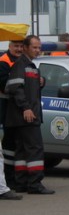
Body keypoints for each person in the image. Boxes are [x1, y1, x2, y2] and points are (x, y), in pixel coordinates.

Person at [5, 35, 55, 194]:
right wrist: (26, 108)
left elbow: (28, 88)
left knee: (22, 151)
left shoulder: (29, 65)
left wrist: (41, 81)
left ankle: (21, 182)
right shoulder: (21, 64)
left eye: (39, 47)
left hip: (22, 116)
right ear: (26, 47)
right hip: (27, 115)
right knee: (35, 149)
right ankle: (35, 184)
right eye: (34, 47)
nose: (38, 50)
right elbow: (15, 88)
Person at [0, 39, 25, 189]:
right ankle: (9, 179)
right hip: (5, 108)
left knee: (16, 145)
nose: (19, 49)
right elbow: (4, 85)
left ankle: (17, 178)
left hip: (16, 107)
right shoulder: (3, 62)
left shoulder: (22, 62)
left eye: (21, 46)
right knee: (8, 145)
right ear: (9, 47)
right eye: (16, 46)